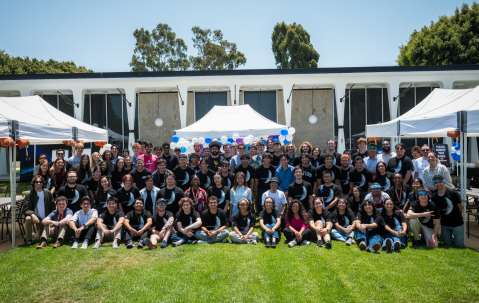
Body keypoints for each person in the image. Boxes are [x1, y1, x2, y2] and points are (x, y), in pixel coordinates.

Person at [431, 175, 464, 248]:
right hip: (444, 225)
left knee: (459, 246)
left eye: (440, 181)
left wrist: (459, 218)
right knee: (447, 245)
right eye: (435, 182)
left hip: (457, 224)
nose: (438, 184)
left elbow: (461, 207)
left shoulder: (453, 193)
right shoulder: (433, 196)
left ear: (443, 182)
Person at [24, 175, 55, 246]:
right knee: (28, 218)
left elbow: (53, 208)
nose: (38, 183)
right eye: (36, 182)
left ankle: (37, 235)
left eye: (40, 182)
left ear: (43, 183)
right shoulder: (30, 194)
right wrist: (32, 214)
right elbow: (26, 209)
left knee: (43, 236)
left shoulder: (48, 193)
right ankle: (29, 240)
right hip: (36, 218)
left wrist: (51, 218)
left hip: (46, 218)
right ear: (33, 183)